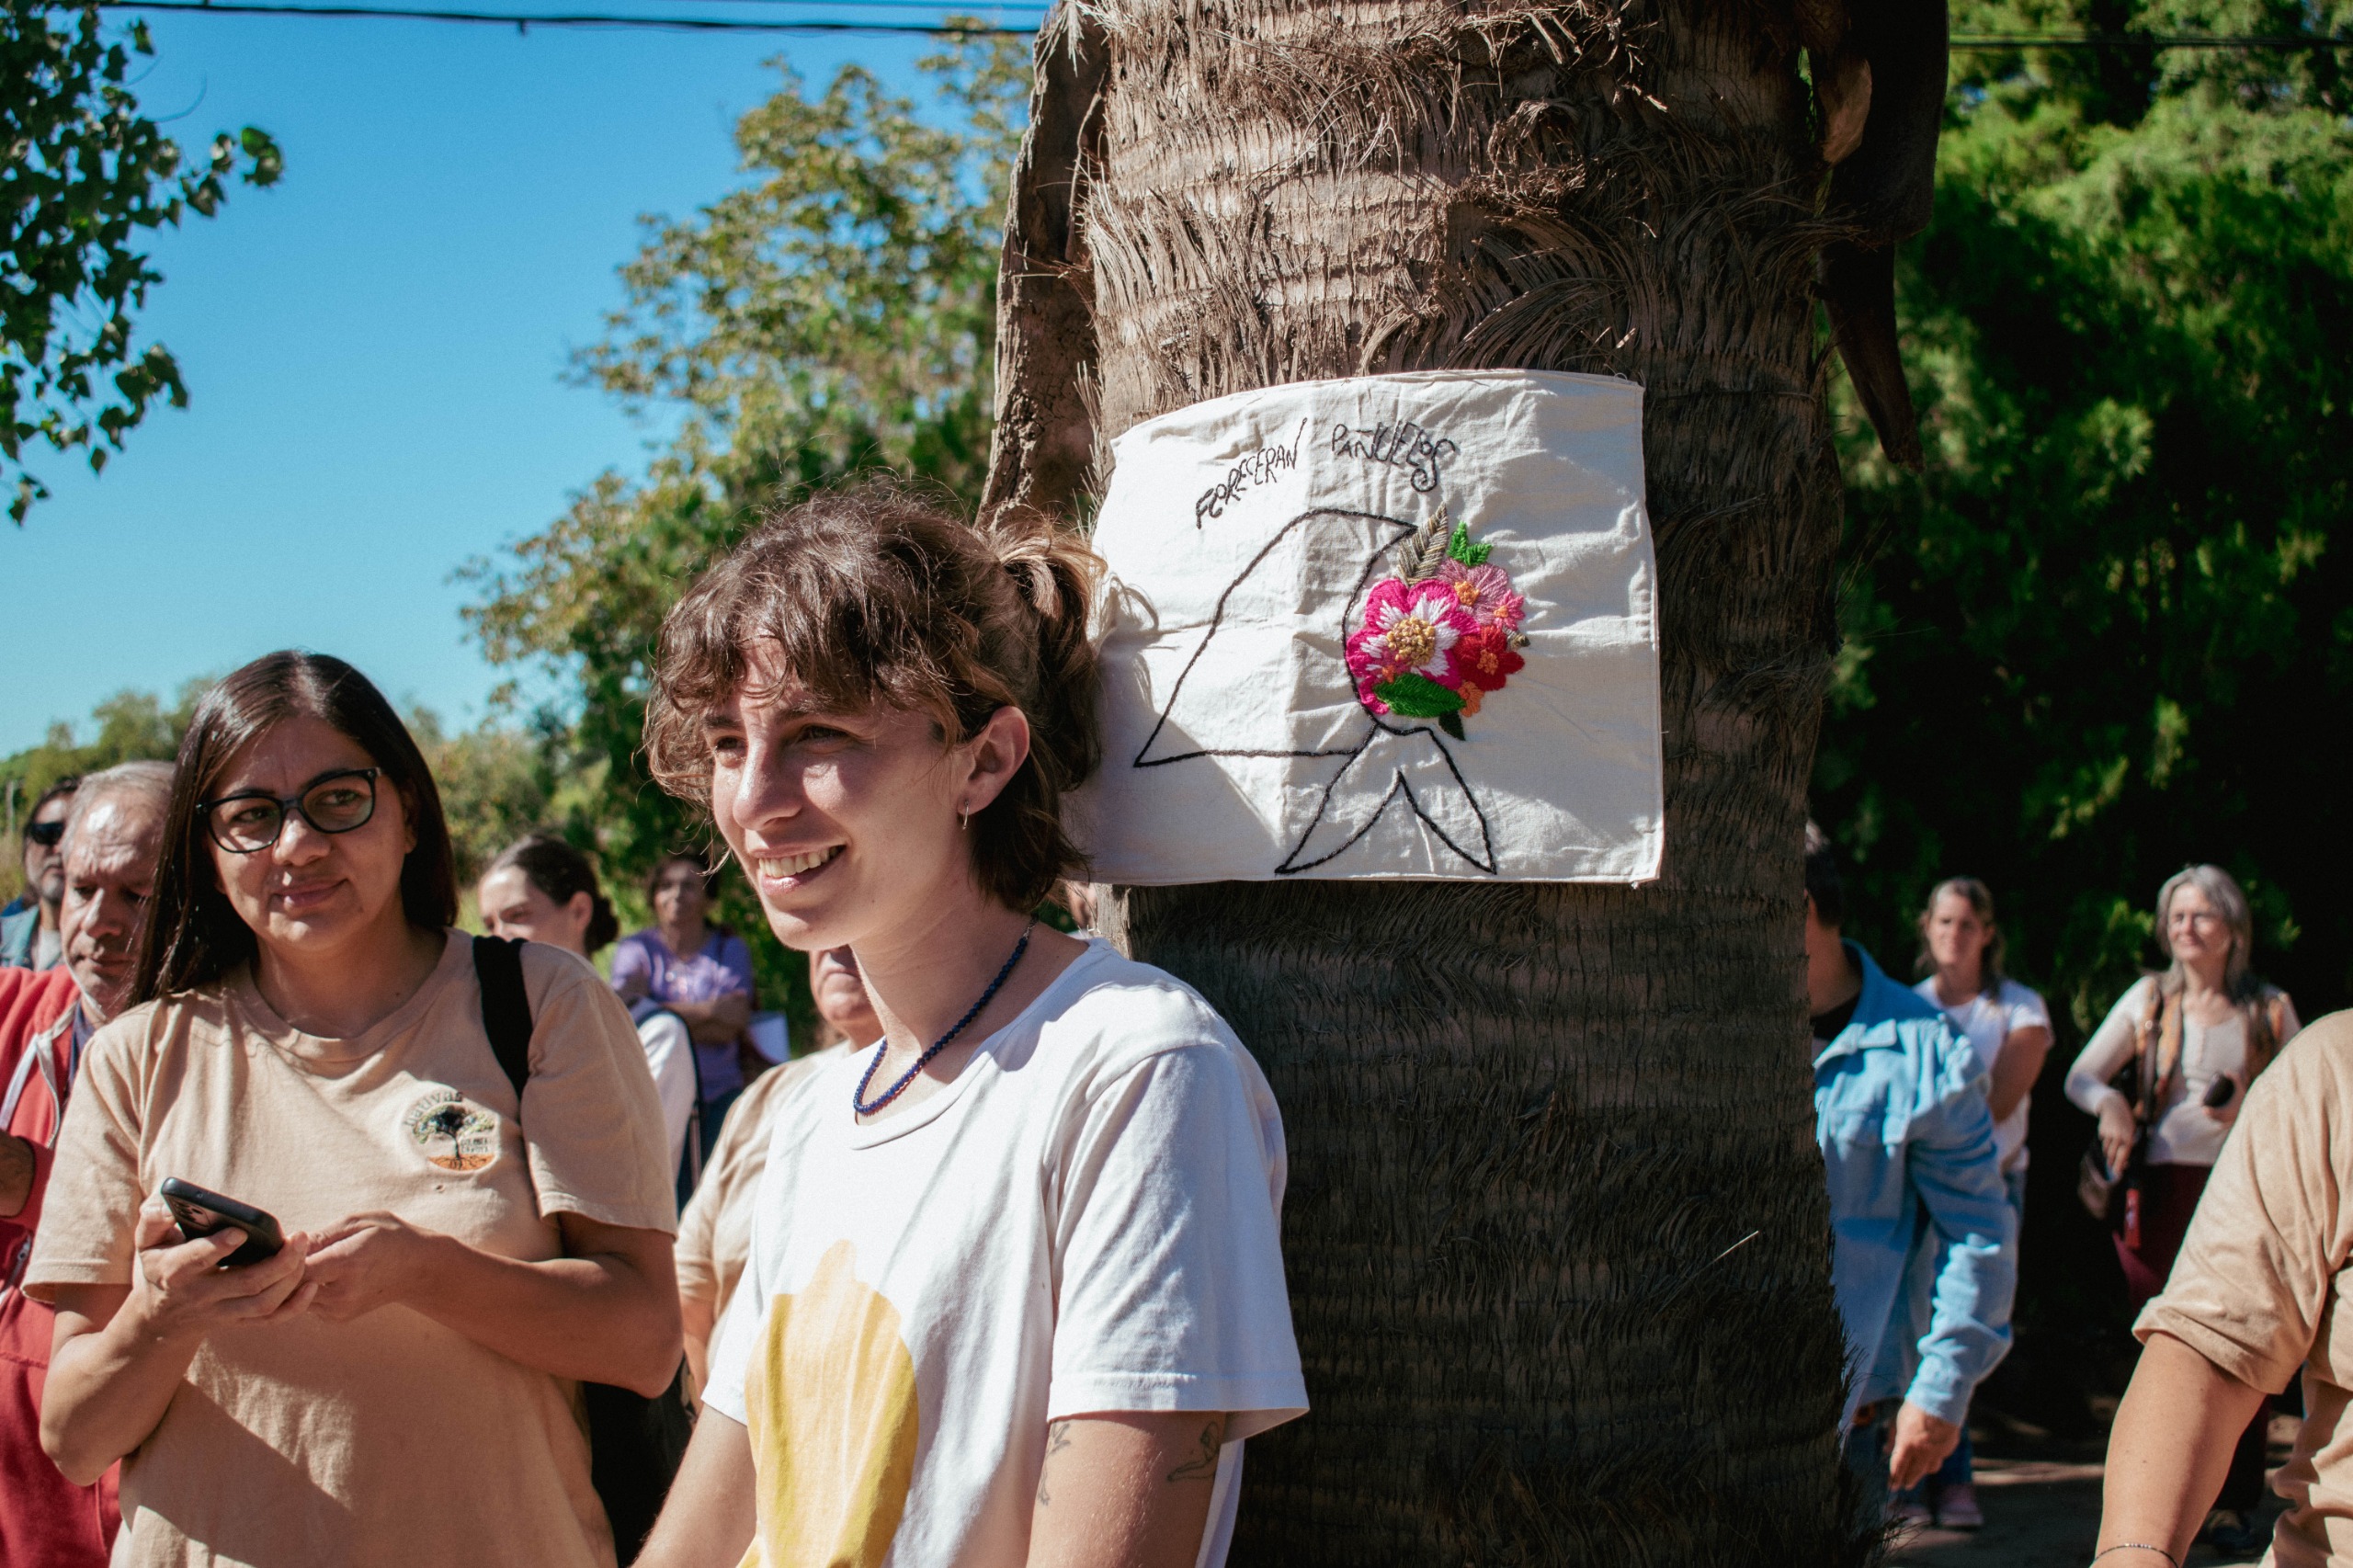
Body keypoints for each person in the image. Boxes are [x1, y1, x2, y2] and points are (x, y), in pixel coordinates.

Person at [631, 486, 1305, 1568]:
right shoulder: (810, 1118)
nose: (753, 799)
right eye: (724, 740)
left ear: (984, 760)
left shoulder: (1135, 1068)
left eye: (816, 734)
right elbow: (705, 1536)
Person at [28, 651, 681, 1567]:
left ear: (408, 809)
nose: (297, 845)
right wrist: (164, 1315)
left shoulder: (544, 1005)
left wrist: (425, 1272)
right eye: (251, 816)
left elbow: (645, 1341)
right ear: (207, 854)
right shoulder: (135, 1057)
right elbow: (73, 1438)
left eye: (339, 799)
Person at [2066, 862, 2302, 1551]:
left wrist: (2252, 1097)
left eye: (2201, 914)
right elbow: (2082, 1075)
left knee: (2242, 1341)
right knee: (2164, 1342)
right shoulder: (2149, 1000)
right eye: (2176, 915)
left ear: (2233, 928)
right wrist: (2111, 1103)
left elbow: (2306, 1093)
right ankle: (2153, 1513)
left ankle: (2230, 1504)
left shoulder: (2269, 1009)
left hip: (2241, 1191)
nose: (2185, 927)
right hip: (2157, 1191)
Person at [1803, 824, 2014, 1520]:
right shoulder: (1700, 1037)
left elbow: (1978, 1234)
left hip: (1852, 1424)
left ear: (1797, 906)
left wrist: (1941, 1390)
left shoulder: (1928, 1052)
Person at [2096, 1009, 2353, 1568]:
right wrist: (2133, 1555)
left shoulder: (2264, 1005)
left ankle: (2234, 1506)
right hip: (2177, 1191)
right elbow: (2208, 1344)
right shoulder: (2335, 1063)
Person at [1, 761, 171, 1565]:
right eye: (81, 889)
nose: (100, 924)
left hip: (153, 1513)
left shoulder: (247, 1052)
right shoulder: (17, 1014)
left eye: (138, 895)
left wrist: (30, 1185)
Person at [1906, 875, 2053, 1528]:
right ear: (1926, 927)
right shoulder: (1906, 1008)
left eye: (1968, 923)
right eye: (1944, 922)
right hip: (1914, 1191)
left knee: (1965, 1328)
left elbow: (1994, 1107)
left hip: (1990, 1188)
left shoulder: (2019, 1011)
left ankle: (1955, 1480)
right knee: (1915, 1328)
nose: (1955, 935)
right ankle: (1906, 1484)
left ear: (1988, 934)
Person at [674, 945, 870, 1393]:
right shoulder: (770, 1098)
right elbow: (685, 1301)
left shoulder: (977, 1089)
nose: (833, 945)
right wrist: (701, 1420)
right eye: (818, 926)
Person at [480, 834, 699, 1185]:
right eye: (489, 925)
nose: (497, 940)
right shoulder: (488, 1037)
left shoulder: (652, 1035)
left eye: (517, 916)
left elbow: (625, 1178)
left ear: (579, 911)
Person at [612, 852, 755, 1164]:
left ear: (709, 898)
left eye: (689, 886)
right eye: (666, 885)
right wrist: (710, 1012)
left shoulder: (729, 948)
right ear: (653, 897)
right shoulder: (636, 949)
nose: (677, 894)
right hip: (655, 1093)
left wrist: (660, 1015)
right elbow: (624, 1017)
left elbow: (733, 1019)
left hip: (721, 1097)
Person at [2, 777, 78, 971]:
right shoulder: (3, 935)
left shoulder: (119, 957)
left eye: (76, 836)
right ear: (27, 846)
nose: (61, 848)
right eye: (48, 833)